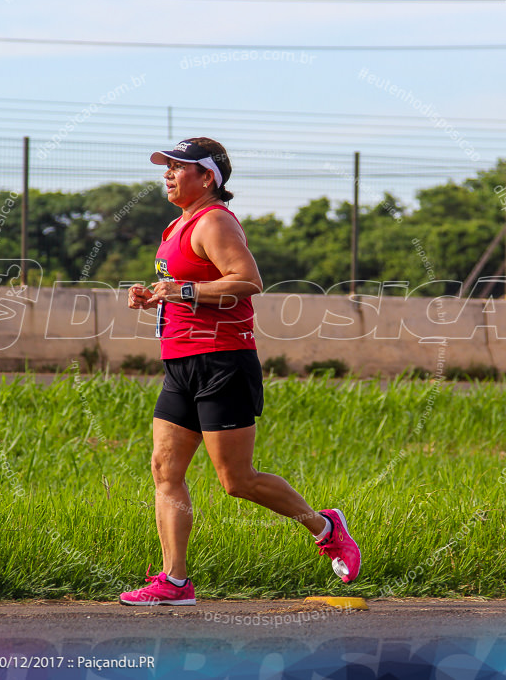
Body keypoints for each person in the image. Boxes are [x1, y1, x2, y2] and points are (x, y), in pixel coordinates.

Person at [120, 137, 361, 606]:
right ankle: (175, 582)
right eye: (165, 167)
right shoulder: (176, 225)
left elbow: (248, 281)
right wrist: (154, 295)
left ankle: (326, 526)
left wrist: (182, 291)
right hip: (180, 362)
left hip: (223, 360)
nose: (167, 174)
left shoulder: (213, 221)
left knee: (237, 481)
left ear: (207, 177)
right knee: (164, 469)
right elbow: (188, 286)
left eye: (177, 167)